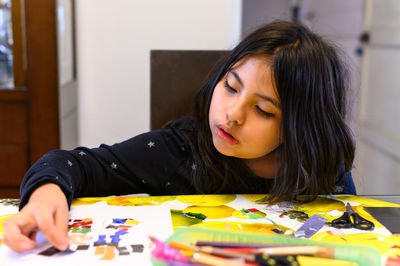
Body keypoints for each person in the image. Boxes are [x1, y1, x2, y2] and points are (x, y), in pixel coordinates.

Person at [3, 21, 356, 253]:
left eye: (264, 111)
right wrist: (43, 195)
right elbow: (73, 164)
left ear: (302, 128)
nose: (233, 114)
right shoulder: (180, 149)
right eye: (231, 87)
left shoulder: (320, 166)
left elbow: (352, 235)